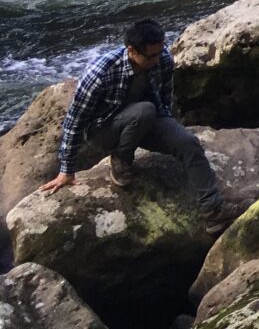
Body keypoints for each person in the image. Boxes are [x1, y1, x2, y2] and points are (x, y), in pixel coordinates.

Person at [37, 19, 228, 228]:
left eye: (160, 52)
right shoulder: (100, 72)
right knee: (144, 110)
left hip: (146, 119)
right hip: (104, 129)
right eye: (151, 56)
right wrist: (67, 170)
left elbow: (165, 100)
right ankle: (120, 159)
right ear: (131, 51)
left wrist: (174, 134)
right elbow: (74, 121)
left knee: (188, 143)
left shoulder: (162, 59)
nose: (157, 59)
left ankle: (213, 211)